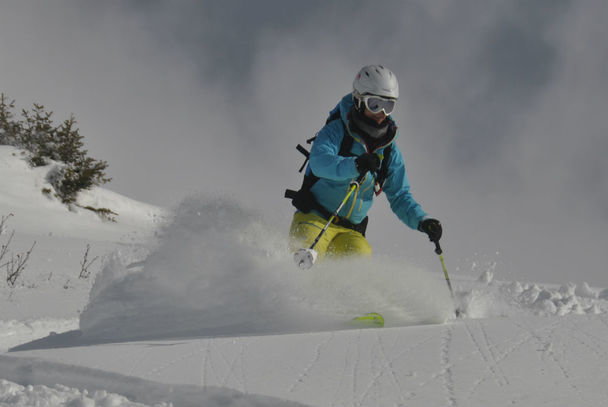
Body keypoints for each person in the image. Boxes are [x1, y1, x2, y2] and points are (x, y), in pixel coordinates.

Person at [286, 65, 442, 268]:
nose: (382, 113)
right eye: (375, 104)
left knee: (359, 268)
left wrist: (423, 220)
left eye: (389, 105)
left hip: (351, 232)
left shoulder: (388, 151)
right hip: (313, 218)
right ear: (359, 99)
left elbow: (400, 195)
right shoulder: (336, 131)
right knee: (304, 257)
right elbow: (320, 163)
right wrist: (355, 165)